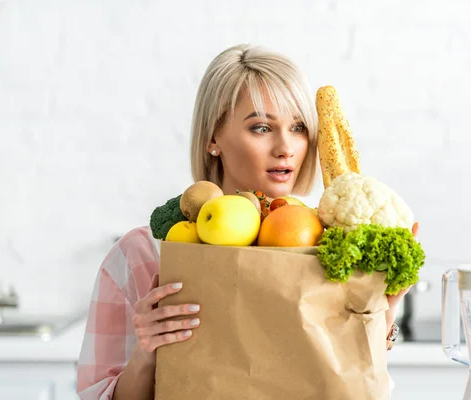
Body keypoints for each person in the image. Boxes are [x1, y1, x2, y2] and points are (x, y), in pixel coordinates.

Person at [76, 43, 410, 400]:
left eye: (298, 127)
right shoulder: (140, 256)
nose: (286, 147)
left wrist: (383, 311)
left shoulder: (329, 248)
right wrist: (145, 352)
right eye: (262, 128)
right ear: (212, 139)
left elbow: (356, 385)